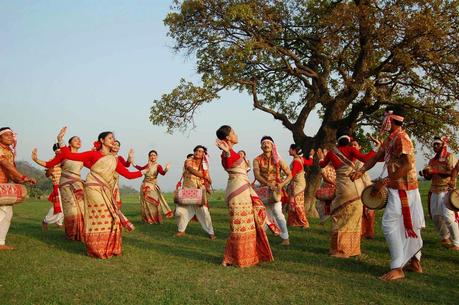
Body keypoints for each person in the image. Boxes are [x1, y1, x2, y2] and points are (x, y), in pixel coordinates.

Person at [350, 105, 425, 281]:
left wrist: (385, 182)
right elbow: (376, 158)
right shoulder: (391, 139)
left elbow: (407, 165)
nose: (382, 122)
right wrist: (360, 171)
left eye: (384, 118)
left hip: (404, 191)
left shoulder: (401, 139)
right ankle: (415, 261)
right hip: (398, 189)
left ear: (391, 120)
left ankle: (397, 268)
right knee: (408, 226)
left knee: (390, 224)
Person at [53, 131, 145, 258]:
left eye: (114, 138)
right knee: (99, 215)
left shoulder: (114, 159)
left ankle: (104, 246)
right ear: (102, 140)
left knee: (112, 218)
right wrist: (61, 141)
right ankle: (95, 247)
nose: (113, 140)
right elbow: (70, 155)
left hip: (104, 190)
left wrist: (143, 172)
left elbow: (128, 175)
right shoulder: (93, 154)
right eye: (110, 138)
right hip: (92, 188)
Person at [216, 125, 273, 267]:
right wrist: (227, 151)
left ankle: (241, 257)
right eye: (233, 132)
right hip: (237, 192)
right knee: (239, 225)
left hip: (242, 189)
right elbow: (228, 160)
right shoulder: (227, 153)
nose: (236, 134)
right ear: (228, 137)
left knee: (247, 223)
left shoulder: (233, 152)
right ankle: (235, 258)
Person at [317, 128, 375, 258]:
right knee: (353, 219)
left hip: (342, 189)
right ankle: (350, 250)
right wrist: (375, 148)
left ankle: (337, 249)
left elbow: (322, 165)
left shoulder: (332, 153)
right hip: (355, 189)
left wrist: (320, 158)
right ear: (349, 139)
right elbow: (366, 158)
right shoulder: (352, 150)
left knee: (338, 217)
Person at [32, 127, 85, 241]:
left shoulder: (82, 156)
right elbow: (49, 164)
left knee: (81, 208)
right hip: (65, 184)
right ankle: (71, 233)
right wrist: (36, 159)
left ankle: (81, 232)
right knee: (71, 209)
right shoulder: (63, 155)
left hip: (78, 184)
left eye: (80, 139)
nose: (79, 141)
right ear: (69, 143)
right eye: (75, 139)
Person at [0, 127, 36, 250]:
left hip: (4, 186)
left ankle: (1, 243)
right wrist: (22, 176)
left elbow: (10, 172)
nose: (10, 137)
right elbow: (6, 165)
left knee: (7, 213)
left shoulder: (9, 152)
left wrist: (22, 180)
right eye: (7, 135)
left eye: (11, 135)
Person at [253, 136, 292, 245]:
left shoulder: (278, 159)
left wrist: (281, 185)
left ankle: (285, 238)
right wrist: (268, 184)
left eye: (268, 143)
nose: (266, 145)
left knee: (278, 213)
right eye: (264, 143)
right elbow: (257, 174)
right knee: (262, 215)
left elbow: (290, 174)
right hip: (263, 191)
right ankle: (261, 239)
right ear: (261, 146)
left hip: (276, 191)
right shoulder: (257, 160)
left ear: (272, 146)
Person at [423, 136, 458, 250]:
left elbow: (451, 171)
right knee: (435, 215)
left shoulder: (449, 156)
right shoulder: (432, 160)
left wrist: (434, 171)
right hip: (434, 189)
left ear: (443, 145)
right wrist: (426, 174)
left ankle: (457, 243)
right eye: (434, 144)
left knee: (448, 216)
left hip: (446, 189)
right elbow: (429, 177)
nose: (435, 146)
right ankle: (445, 237)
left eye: (438, 144)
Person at [175, 145, 216, 239]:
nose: (198, 152)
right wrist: (203, 176)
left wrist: (208, 186)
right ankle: (181, 230)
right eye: (196, 151)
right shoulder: (188, 161)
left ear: (204, 154)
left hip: (199, 191)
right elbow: (190, 169)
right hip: (187, 190)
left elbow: (209, 178)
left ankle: (211, 232)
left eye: (200, 151)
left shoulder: (205, 166)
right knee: (180, 212)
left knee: (204, 212)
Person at [135, 150, 173, 223]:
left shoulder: (158, 166)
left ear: (157, 157)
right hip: (145, 185)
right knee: (146, 204)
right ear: (149, 157)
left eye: (154, 155)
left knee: (155, 202)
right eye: (151, 155)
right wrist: (134, 164)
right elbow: (141, 169)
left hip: (152, 186)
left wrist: (166, 169)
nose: (153, 157)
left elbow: (162, 173)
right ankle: (147, 219)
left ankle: (156, 219)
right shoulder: (147, 165)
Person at [350, 139, 376, 239]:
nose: (353, 146)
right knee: (360, 212)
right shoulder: (350, 160)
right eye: (351, 145)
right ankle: (362, 232)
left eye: (355, 145)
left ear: (359, 147)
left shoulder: (361, 160)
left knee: (369, 212)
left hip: (365, 187)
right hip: (356, 189)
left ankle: (369, 233)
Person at [287, 144, 314, 228]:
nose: (289, 151)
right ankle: (294, 223)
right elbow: (310, 162)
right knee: (294, 204)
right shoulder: (300, 159)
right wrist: (311, 155)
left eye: (290, 149)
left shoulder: (296, 161)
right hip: (299, 184)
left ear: (294, 150)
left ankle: (305, 223)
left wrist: (283, 182)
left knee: (297, 204)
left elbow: (292, 174)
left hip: (298, 185)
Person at [41, 144, 64, 231]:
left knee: (66, 205)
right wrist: (50, 169)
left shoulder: (65, 160)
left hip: (67, 185)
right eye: (59, 150)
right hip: (58, 185)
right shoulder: (52, 161)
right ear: (55, 151)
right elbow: (47, 174)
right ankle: (46, 221)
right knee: (59, 206)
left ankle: (59, 222)